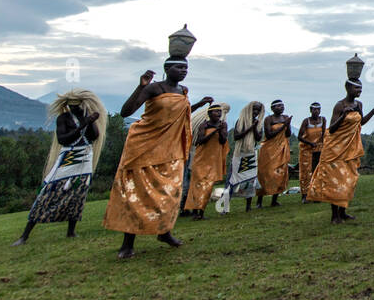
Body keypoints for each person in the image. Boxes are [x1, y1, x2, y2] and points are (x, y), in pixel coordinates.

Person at [103, 57, 213, 259]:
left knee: (169, 193)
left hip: (170, 150)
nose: (183, 71)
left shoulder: (183, 91)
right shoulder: (154, 88)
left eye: (186, 68)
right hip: (144, 146)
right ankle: (128, 243)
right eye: (179, 67)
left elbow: (181, 113)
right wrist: (140, 87)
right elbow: (126, 111)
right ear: (166, 69)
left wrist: (199, 104)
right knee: (137, 194)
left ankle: (164, 232)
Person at [12, 90, 107, 245]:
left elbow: (94, 136)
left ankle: (71, 231)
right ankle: (25, 235)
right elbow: (63, 139)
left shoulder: (85, 116)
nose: (74, 108)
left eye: (76, 106)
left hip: (84, 158)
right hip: (68, 158)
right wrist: (81, 125)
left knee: (78, 193)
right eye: (72, 106)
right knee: (48, 192)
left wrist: (90, 122)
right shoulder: (63, 118)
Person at [306, 80, 374, 223]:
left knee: (348, 180)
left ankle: (343, 212)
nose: (359, 90)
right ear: (347, 88)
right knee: (336, 181)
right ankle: (335, 216)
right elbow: (332, 129)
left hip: (350, 149)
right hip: (336, 149)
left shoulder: (358, 105)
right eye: (356, 88)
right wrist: (342, 116)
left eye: (361, 88)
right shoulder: (340, 105)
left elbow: (361, 122)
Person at [183, 103, 229, 219]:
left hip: (214, 159)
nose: (218, 113)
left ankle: (201, 212)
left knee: (208, 186)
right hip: (201, 158)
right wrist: (214, 131)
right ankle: (194, 211)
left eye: (219, 112)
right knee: (197, 185)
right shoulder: (204, 125)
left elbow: (223, 141)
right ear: (209, 114)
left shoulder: (223, 125)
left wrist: (222, 131)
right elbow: (200, 140)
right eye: (215, 111)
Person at [228, 101, 265, 212]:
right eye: (254, 109)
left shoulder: (258, 123)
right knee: (233, 179)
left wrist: (254, 127)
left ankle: (248, 206)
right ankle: (225, 204)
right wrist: (249, 127)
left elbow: (258, 138)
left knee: (250, 179)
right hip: (240, 153)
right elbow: (236, 136)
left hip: (251, 153)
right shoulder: (241, 121)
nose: (255, 112)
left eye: (258, 110)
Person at [257, 99, 292, 207]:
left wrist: (288, 125)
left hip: (281, 148)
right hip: (269, 149)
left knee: (280, 173)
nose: (281, 108)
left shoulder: (285, 117)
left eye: (282, 106)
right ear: (272, 108)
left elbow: (288, 134)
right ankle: (259, 201)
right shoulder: (269, 119)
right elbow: (269, 134)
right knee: (265, 174)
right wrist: (283, 125)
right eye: (278, 106)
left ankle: (274, 200)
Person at [297, 102, 326, 203]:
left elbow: (323, 134)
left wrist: (322, 145)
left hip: (318, 148)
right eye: (314, 109)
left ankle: (316, 194)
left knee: (317, 171)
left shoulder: (323, 120)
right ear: (310, 110)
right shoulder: (306, 121)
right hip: (306, 149)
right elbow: (299, 136)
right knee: (306, 172)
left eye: (318, 109)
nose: (316, 111)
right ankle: (305, 195)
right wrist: (309, 143)